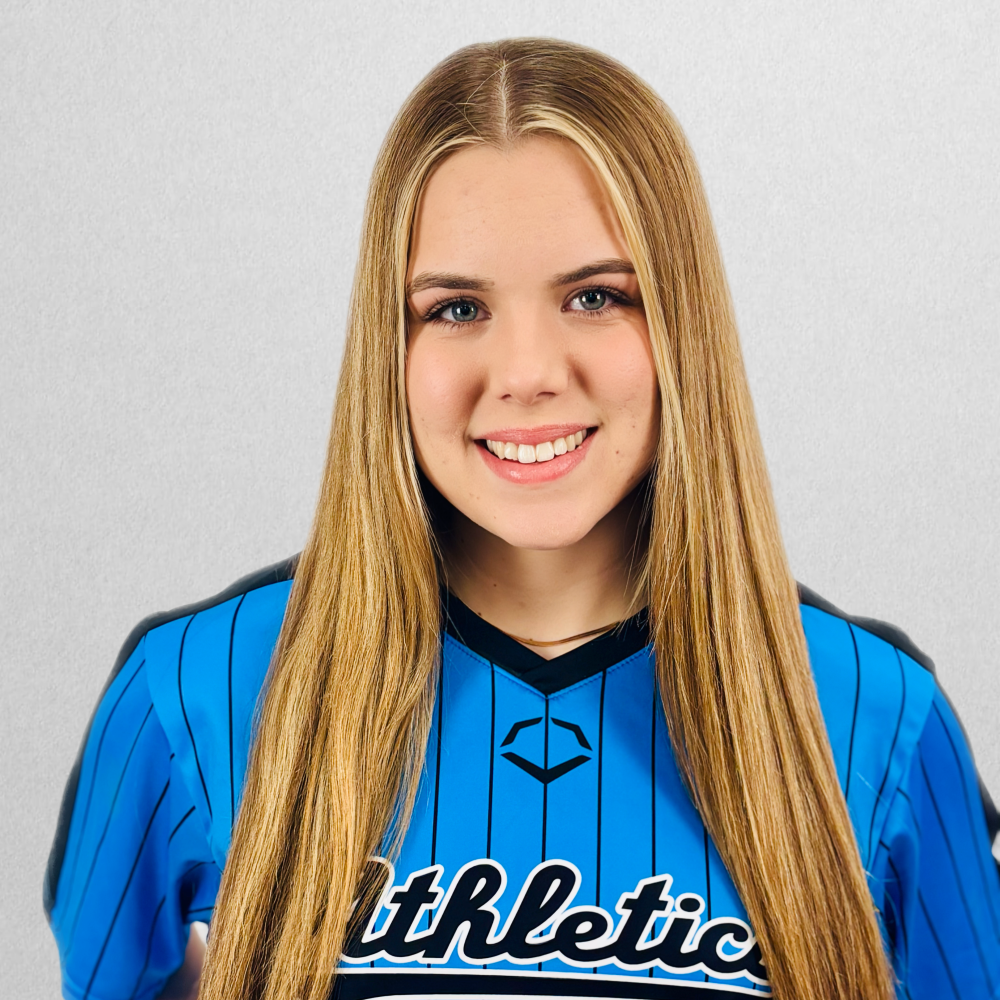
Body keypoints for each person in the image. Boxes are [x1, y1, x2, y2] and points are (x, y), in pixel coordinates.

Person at [44, 38, 1000, 1000]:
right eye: (457, 309)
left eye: (596, 296)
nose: (528, 372)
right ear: (389, 346)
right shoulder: (190, 693)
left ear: (684, 324)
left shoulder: (876, 713)